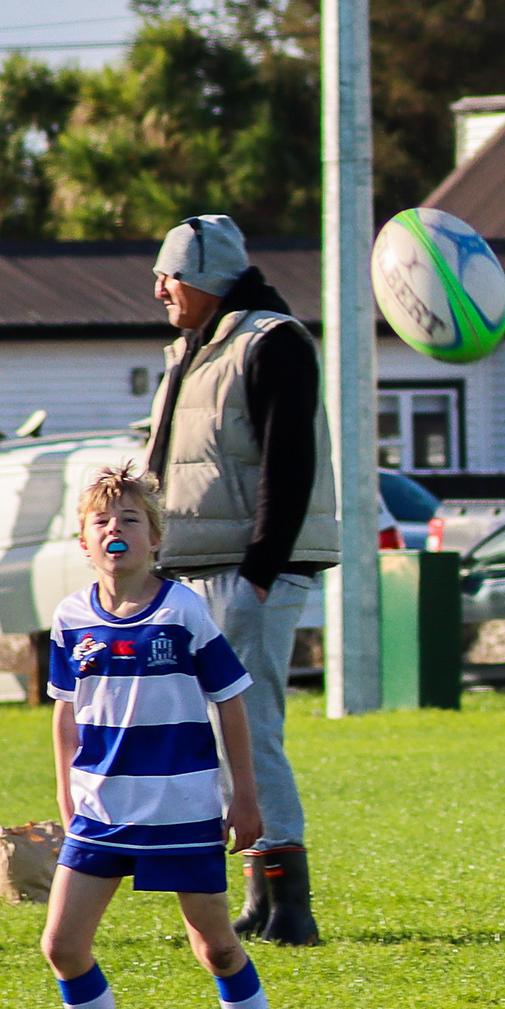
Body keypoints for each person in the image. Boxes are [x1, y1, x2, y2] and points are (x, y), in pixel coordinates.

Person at [39, 469, 302, 1009]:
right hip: (101, 810)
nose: (116, 530)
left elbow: (230, 700)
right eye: (102, 522)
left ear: (155, 539)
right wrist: (66, 794)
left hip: (180, 810)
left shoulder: (183, 611)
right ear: (83, 542)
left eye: (131, 520)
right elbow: (65, 712)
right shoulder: (71, 618)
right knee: (63, 947)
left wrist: (244, 797)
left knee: (217, 947)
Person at [144, 213, 334, 946]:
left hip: (245, 574)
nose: (159, 289)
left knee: (250, 730)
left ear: (204, 275)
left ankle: (290, 905)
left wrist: (258, 571)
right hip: (200, 571)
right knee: (225, 735)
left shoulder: (270, 341)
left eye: (168, 274)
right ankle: (262, 894)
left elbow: (290, 460)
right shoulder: (197, 348)